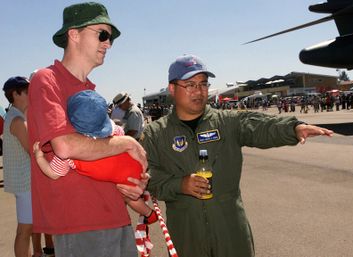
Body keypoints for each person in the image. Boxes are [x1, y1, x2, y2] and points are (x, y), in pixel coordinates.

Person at [142, 54, 334, 257]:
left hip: (231, 231)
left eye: (203, 84)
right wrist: (180, 185)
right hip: (186, 234)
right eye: (190, 84)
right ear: (172, 88)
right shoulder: (156, 133)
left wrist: (293, 128)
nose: (199, 91)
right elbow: (147, 177)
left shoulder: (227, 122)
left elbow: (260, 125)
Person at [27, 3, 148, 257]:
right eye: (102, 34)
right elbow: (65, 146)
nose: (108, 43)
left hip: (114, 215)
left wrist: (132, 182)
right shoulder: (46, 80)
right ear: (74, 34)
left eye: (110, 38)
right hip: (82, 223)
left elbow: (101, 158)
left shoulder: (89, 92)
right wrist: (127, 143)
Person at [32, 90, 157, 224]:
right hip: (135, 165)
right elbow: (123, 134)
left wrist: (39, 156)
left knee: (128, 197)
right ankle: (148, 213)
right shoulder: (116, 131)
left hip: (127, 179)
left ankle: (149, 214)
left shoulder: (69, 154)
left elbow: (54, 173)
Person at [2, 76, 54, 257]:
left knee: (27, 227)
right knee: (25, 229)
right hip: (25, 183)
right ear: (15, 94)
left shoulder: (17, 116)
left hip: (24, 182)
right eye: (27, 91)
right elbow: (32, 150)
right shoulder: (17, 120)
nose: (31, 94)